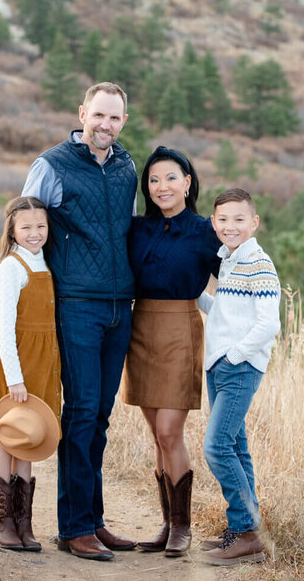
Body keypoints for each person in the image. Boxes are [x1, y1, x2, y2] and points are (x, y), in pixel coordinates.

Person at [22, 81, 138, 562]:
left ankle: (93, 520)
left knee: (102, 417)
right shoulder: (51, 165)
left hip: (119, 306)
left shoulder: (129, 167)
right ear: (81, 113)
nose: (105, 125)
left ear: (122, 122)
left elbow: (128, 229)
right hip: (75, 303)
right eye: (98, 115)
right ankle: (72, 528)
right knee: (83, 410)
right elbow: (24, 226)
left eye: (114, 118)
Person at [123, 146, 220, 558]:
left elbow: (234, 280)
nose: (162, 186)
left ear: (188, 182)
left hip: (182, 328)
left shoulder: (205, 231)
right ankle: (166, 524)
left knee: (169, 431)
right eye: (154, 180)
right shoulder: (136, 228)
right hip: (140, 328)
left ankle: (183, 526)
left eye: (170, 178)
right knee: (155, 435)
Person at [0, 196, 61, 552]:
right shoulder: (12, 268)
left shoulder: (44, 262)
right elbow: (4, 329)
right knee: (8, 438)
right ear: (12, 230)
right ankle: (2, 522)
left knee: (29, 439)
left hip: (40, 363)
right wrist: (15, 379)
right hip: (16, 366)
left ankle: (25, 523)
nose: (35, 233)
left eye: (41, 226)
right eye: (26, 227)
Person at [197, 188, 281, 566]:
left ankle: (246, 532)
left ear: (254, 222)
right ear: (214, 223)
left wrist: (234, 356)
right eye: (223, 220)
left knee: (216, 447)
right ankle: (247, 530)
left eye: (239, 219)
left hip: (239, 367)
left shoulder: (258, 264)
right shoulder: (230, 261)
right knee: (236, 446)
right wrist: (196, 294)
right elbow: (228, 313)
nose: (231, 226)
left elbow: (268, 323)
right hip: (220, 365)